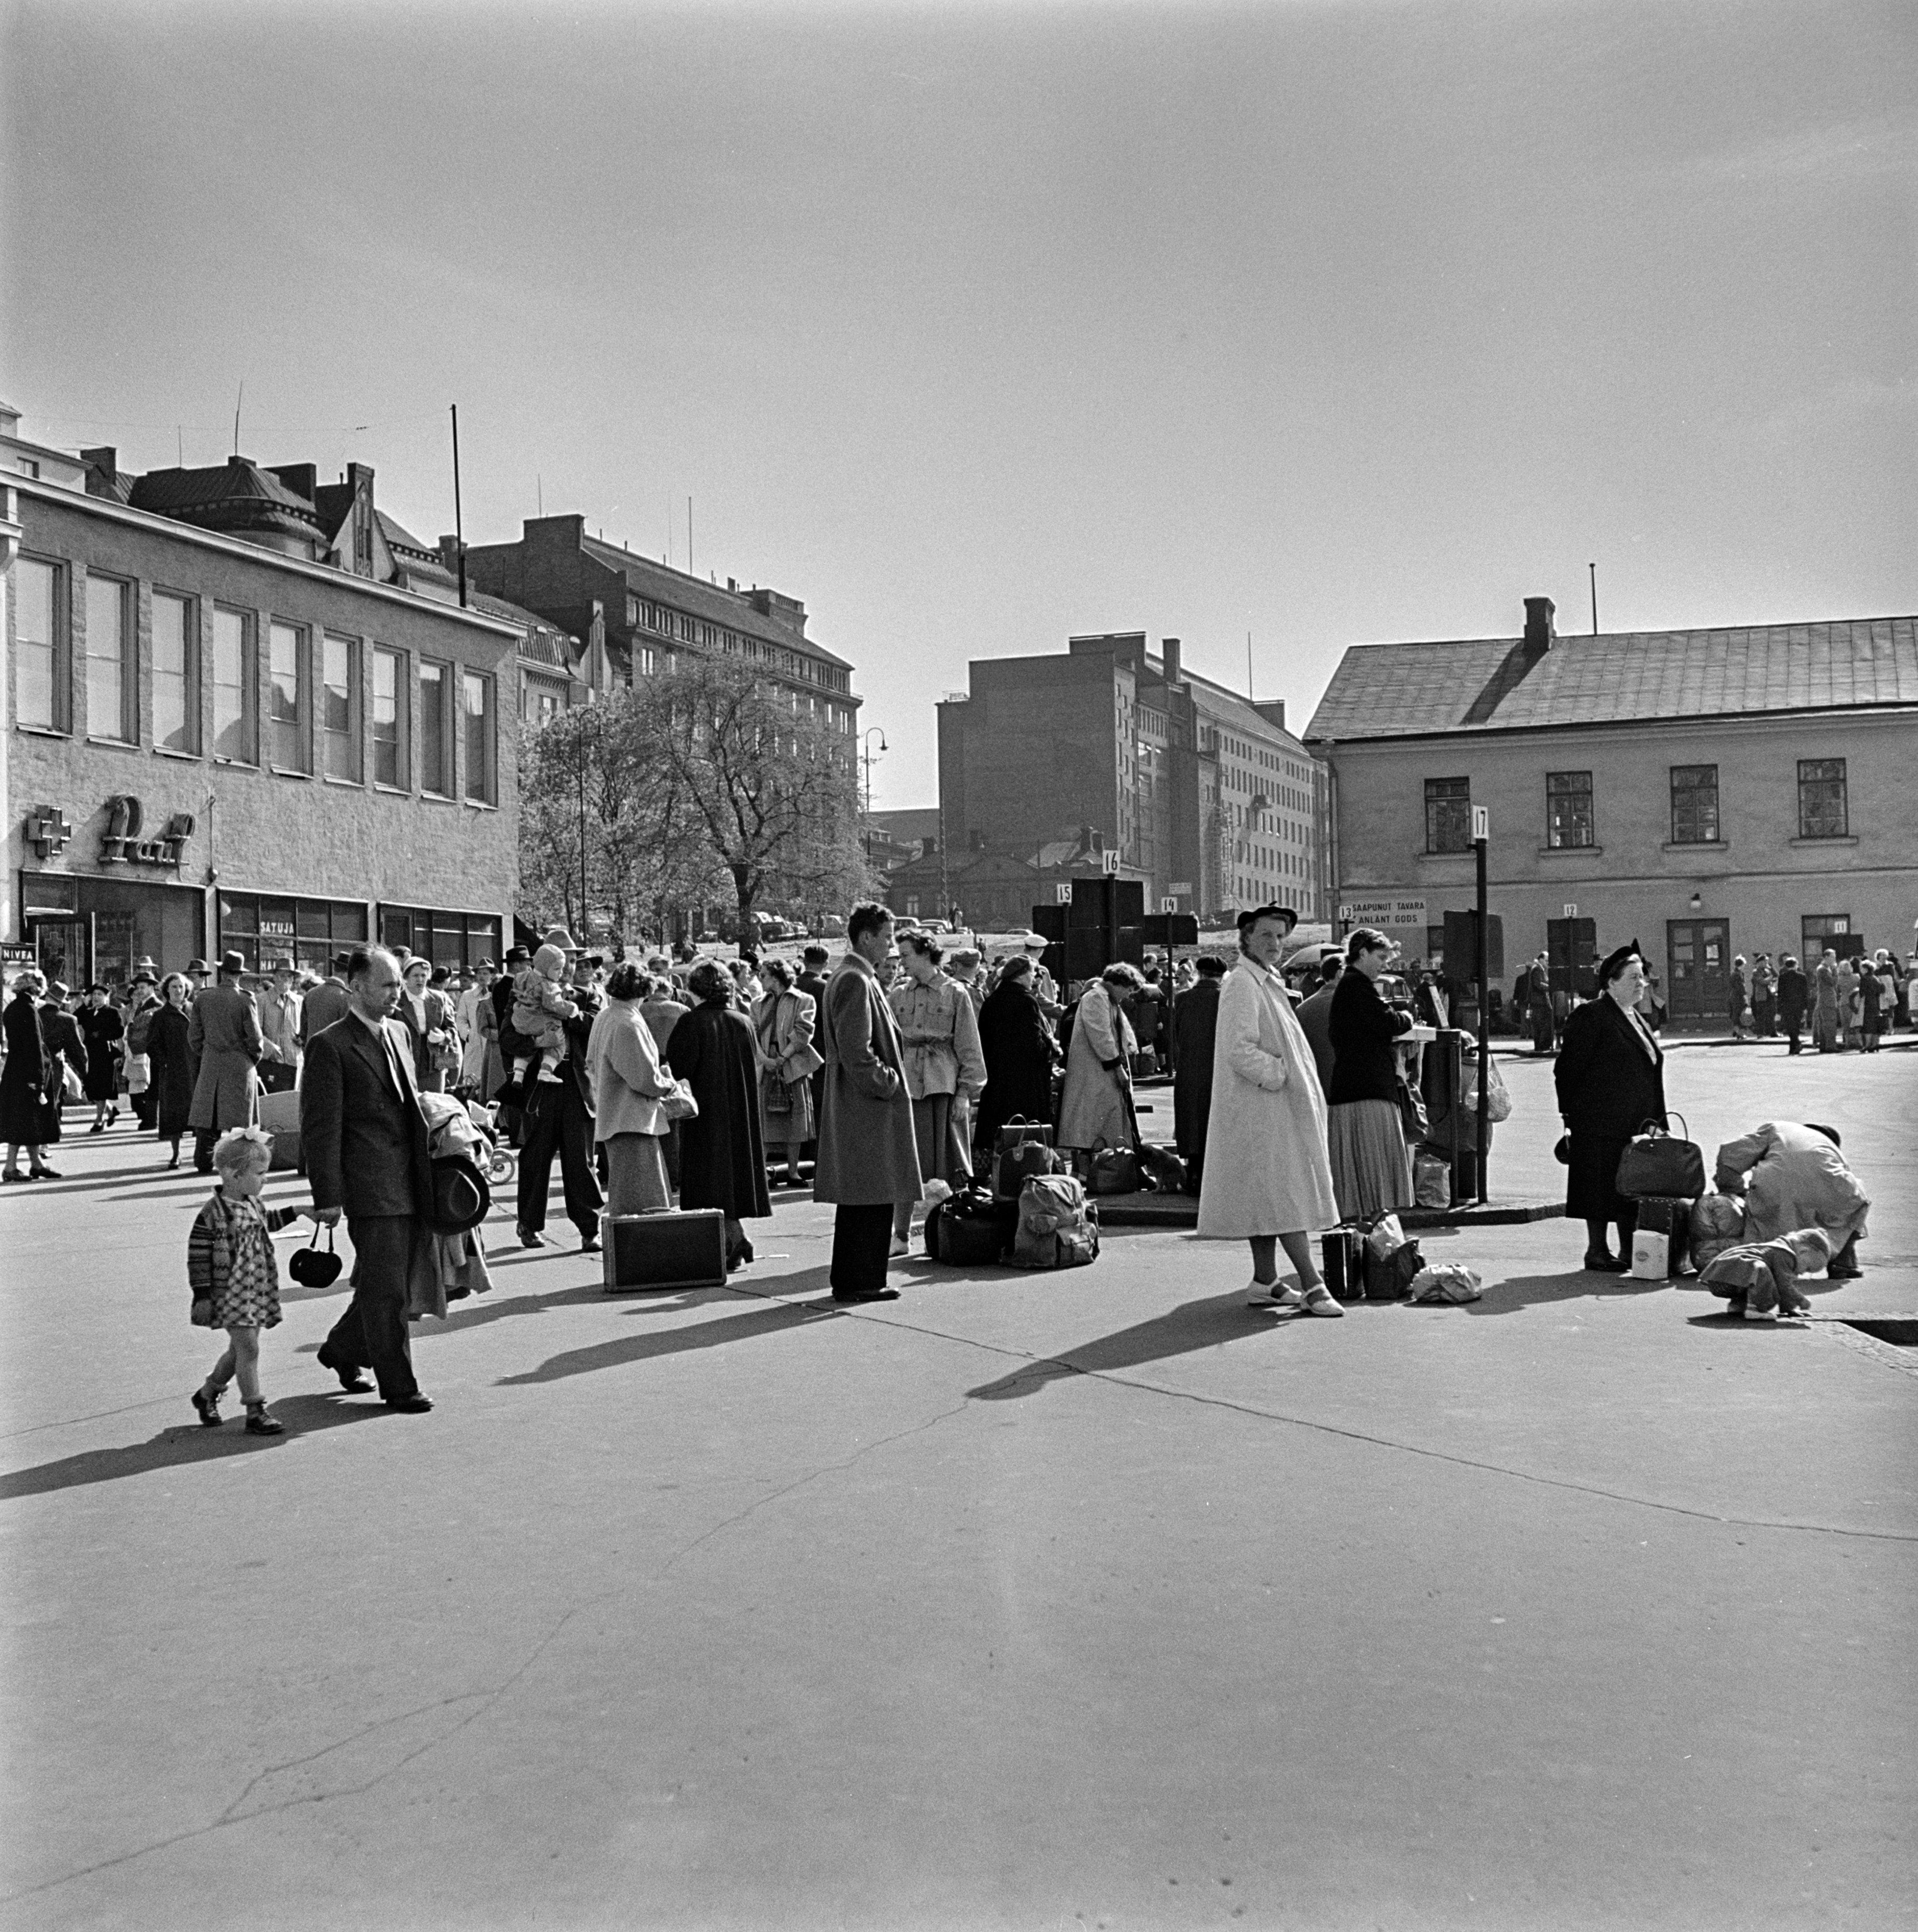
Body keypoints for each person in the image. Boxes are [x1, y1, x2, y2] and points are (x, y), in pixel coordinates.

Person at [301, 945, 435, 1412]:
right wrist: (328, 1196)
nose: (396, 993)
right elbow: (322, 1129)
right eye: (387, 985)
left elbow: (409, 1102)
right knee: (388, 1290)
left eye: (399, 983)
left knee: (392, 1280)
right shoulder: (329, 1045)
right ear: (356, 987)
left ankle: (341, 1348)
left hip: (412, 1179)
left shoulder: (400, 1031)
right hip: (369, 1186)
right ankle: (399, 1385)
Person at [1196, 905, 1342, 1314]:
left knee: (1266, 1196)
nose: (1275, 944)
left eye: (1281, 937)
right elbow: (1238, 1049)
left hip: (1271, 1109)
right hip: (1263, 1108)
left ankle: (1265, 1280)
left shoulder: (1264, 981)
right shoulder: (1243, 982)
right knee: (1286, 1194)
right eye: (1266, 936)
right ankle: (1313, 1285)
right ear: (1246, 937)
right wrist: (1282, 1074)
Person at [815, 902, 921, 1303]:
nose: (891, 947)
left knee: (867, 1197)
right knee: (871, 1195)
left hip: (864, 1105)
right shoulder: (855, 980)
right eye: (888, 937)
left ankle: (858, 1278)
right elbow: (856, 1050)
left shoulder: (854, 976)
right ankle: (862, 1279)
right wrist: (888, 1082)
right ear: (866, 937)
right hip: (867, 1107)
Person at [187, 1125, 317, 1436]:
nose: (265, 1179)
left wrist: (299, 1210)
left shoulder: (251, 1203)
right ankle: (255, 1409)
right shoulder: (212, 1215)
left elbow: (268, 1222)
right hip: (229, 1293)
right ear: (233, 1174)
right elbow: (198, 1258)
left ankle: (207, 1393)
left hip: (254, 1288)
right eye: (260, 1173)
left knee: (239, 1350)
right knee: (250, 1350)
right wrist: (202, 1296)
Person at [1553, 939, 1668, 1273]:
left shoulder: (1635, 1017)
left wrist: (1657, 1118)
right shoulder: (1592, 1015)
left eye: (1642, 978)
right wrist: (1573, 1114)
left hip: (1638, 1120)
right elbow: (1567, 1069)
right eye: (1633, 978)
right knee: (1600, 1185)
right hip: (1600, 1120)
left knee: (1630, 1187)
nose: (1641, 984)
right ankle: (1597, 1250)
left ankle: (1628, 1250)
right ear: (1611, 983)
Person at [665, 959, 770, 1271]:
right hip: (740, 1109)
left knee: (708, 1177)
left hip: (706, 1111)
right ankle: (733, 1238)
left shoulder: (691, 1023)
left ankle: (729, 1241)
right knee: (731, 1177)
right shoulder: (743, 1021)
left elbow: (679, 1067)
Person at [887, 931, 986, 1249]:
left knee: (953, 1166)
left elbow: (970, 1047)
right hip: (907, 1088)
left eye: (905, 955)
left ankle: (957, 1230)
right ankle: (900, 1235)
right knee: (906, 1166)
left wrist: (965, 1093)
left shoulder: (955, 993)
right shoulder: (898, 994)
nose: (900, 961)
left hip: (944, 1086)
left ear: (925, 953)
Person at [514, 954, 604, 1253]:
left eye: (576, 964)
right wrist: (537, 1038)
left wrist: (565, 1012)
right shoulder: (527, 992)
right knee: (536, 1157)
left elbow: (594, 1028)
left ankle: (590, 1230)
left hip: (577, 1088)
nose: (569, 971)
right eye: (563, 965)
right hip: (540, 1088)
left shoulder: (588, 997)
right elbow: (509, 1037)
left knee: (581, 1161)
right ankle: (529, 1224)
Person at [1326, 926, 1415, 1223]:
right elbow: (1388, 1021)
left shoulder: (1351, 985)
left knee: (1362, 1178)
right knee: (1373, 1172)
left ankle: (1367, 1240)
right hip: (1366, 1089)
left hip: (1354, 1088)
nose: (1384, 964)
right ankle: (1374, 1245)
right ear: (1361, 953)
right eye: (1380, 957)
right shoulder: (1357, 986)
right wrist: (1407, 1017)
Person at [1714, 1121, 1868, 1276]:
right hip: (1831, 1185)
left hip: (1775, 1184)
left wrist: (1733, 1190)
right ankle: (1844, 1261)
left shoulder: (1778, 1128)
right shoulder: (1830, 1150)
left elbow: (1730, 1156)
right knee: (1857, 1205)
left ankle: (1760, 1262)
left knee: (1763, 1221)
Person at [589, 963, 676, 1216]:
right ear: (643, 989)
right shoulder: (628, 1023)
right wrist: (668, 1084)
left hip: (613, 1114)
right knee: (645, 1200)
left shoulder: (605, 1016)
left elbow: (591, 1062)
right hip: (633, 1120)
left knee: (625, 1193)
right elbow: (643, 1079)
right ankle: (645, 1251)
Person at [972, 956, 1059, 1163]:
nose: (1035, 977)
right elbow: (1035, 1045)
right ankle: (1026, 1171)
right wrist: (1053, 1048)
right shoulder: (1026, 1001)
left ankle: (997, 1174)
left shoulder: (991, 1001)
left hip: (996, 1079)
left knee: (997, 1131)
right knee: (1025, 1133)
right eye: (1032, 972)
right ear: (1021, 975)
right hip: (1026, 1082)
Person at [1057, 962, 1143, 1166]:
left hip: (1101, 1072)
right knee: (1092, 1126)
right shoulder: (1096, 998)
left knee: (1104, 1124)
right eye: (1128, 990)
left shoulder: (1108, 1000)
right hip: (1097, 1072)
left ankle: (1121, 1169)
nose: (1128, 995)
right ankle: (1093, 1172)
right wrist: (1118, 1067)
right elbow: (1101, 1036)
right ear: (1118, 984)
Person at [186, 951, 262, 1175]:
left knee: (208, 1114)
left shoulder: (203, 998)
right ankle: (239, 1162)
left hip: (211, 1062)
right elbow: (255, 1039)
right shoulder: (245, 999)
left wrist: (208, 1053)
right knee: (241, 1117)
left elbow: (194, 1037)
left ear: (222, 973)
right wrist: (251, 1059)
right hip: (240, 1063)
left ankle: (203, 1160)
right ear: (238, 975)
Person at [754, 957, 823, 1189]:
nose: (759, 979)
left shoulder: (804, 1000)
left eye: (763, 975)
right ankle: (762, 1172)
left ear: (776, 976)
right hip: (766, 1064)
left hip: (792, 1064)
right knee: (764, 1121)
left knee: (795, 1120)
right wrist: (765, 1060)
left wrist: (783, 1058)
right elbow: (752, 1034)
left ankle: (793, 1172)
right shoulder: (757, 1003)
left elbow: (804, 1032)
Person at [1170, 955, 1228, 1193]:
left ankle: (1193, 1174)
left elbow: (1176, 1033)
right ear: (1222, 976)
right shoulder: (1225, 998)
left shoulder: (1183, 998)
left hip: (1188, 1068)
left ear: (1199, 973)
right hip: (1218, 1069)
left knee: (1191, 1121)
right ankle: (1210, 1179)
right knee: (1214, 1122)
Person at [1698, 1228, 1829, 1322]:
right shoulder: (1785, 1254)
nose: (1803, 1273)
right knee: (1761, 1270)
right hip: (1727, 1280)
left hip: (1719, 1280)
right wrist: (1801, 1300)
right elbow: (1784, 1285)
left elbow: (1779, 1284)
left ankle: (1738, 1305)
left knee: (1761, 1276)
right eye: (1807, 1268)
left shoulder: (1778, 1248)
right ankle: (1755, 1310)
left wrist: (1789, 1308)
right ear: (1803, 1251)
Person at [1, 969, 55, 1182]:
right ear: (37, 988)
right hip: (29, 1071)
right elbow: (34, 1045)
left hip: (15, 1070)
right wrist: (39, 1079)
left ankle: (36, 1164)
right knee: (24, 1119)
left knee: (29, 1119)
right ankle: (10, 1167)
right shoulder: (29, 1009)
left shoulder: (12, 1008)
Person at [148, 972, 197, 1167]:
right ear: (167, 989)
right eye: (174, 987)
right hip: (173, 1072)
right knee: (174, 1115)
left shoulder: (195, 1010)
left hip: (195, 1069)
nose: (178, 990)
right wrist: (164, 1063)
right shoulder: (160, 1015)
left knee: (198, 1113)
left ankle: (200, 1154)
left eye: (181, 987)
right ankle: (176, 1154)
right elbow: (152, 1045)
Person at [77, 983, 125, 1133]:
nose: (97, 997)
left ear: (106, 997)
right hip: (90, 1053)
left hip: (106, 1053)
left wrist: (103, 1035)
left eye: (100, 995)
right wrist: (85, 1005)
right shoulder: (89, 1012)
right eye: (94, 995)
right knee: (92, 1087)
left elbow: (119, 1031)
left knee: (102, 1087)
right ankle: (110, 1110)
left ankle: (99, 1120)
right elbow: (75, 1018)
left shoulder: (112, 1012)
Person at [1294, 955, 1342, 1096]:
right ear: (1340, 973)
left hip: (1315, 1090)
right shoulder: (1353, 1003)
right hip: (1349, 1092)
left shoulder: (1302, 1009)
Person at [123, 968, 164, 1129]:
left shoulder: (155, 1005)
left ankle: (151, 1119)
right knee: (145, 1086)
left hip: (149, 1051)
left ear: (152, 988)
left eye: (143, 988)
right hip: (140, 1050)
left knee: (150, 1085)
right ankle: (149, 1118)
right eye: (138, 988)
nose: (140, 991)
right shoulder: (142, 1005)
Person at [256, 960, 303, 1095]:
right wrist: (270, 1048)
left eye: (289, 976)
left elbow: (306, 1029)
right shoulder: (261, 1000)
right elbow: (255, 1031)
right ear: (275, 977)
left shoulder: (300, 1001)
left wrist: (303, 1039)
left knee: (292, 1105)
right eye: (282, 976)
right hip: (270, 1063)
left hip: (294, 1062)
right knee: (271, 1104)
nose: (286, 980)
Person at [299, 952, 352, 1046]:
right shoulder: (347, 997)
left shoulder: (311, 994)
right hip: (335, 1057)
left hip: (312, 1055)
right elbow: (349, 1036)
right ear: (349, 974)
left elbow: (303, 1034)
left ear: (334, 969)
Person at [1776, 953, 1809, 1055]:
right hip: (1798, 1005)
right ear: (1796, 965)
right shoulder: (1802, 977)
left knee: (1790, 1025)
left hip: (1787, 1005)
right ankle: (1796, 1044)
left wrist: (1779, 1007)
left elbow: (1780, 993)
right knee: (1797, 1025)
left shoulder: (1783, 977)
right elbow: (1805, 993)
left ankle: (1794, 1045)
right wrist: (1805, 1007)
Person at [1525, 951, 1556, 1054]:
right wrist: (1550, 987)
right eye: (1546, 961)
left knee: (1539, 1025)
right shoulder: (1538, 970)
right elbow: (1539, 984)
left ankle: (1540, 1046)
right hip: (1540, 1002)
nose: (1547, 963)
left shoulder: (1538, 969)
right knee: (1543, 1024)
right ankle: (1542, 1046)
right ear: (1541, 960)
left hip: (1538, 1002)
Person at [1812, 949, 1841, 1052]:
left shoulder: (1826, 968)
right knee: (1830, 1024)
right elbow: (1832, 982)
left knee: (1825, 1024)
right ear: (1826, 957)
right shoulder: (1823, 969)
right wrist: (1836, 971)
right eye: (1833, 957)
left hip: (1827, 999)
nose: (1835, 959)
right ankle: (1831, 1046)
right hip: (1827, 1000)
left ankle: (1824, 1046)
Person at [1750, 953, 1776, 1037]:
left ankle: (1773, 1032)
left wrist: (1771, 968)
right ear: (1760, 962)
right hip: (1761, 996)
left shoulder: (1768, 971)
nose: (1766, 963)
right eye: (1765, 961)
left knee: (1772, 1013)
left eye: (1767, 961)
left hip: (1770, 995)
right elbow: (1762, 982)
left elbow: (1776, 976)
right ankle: (1760, 1033)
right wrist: (1770, 978)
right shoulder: (1756, 972)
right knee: (1761, 1015)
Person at [1727, 956, 1750, 1041]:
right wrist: (1746, 998)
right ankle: (1740, 1033)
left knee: (1735, 1014)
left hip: (1733, 996)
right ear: (1742, 965)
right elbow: (1741, 988)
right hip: (1739, 998)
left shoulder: (1733, 973)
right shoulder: (1739, 975)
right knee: (1741, 1015)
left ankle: (1735, 1030)